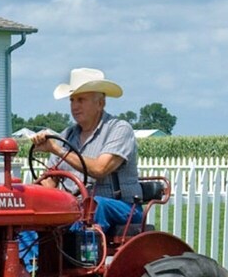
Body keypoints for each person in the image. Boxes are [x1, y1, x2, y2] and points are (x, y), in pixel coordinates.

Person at [29, 68, 145, 236]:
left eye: (81, 100)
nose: (75, 106)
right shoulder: (67, 135)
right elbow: (50, 183)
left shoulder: (119, 129)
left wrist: (57, 150)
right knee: (28, 221)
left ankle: (72, 255)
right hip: (76, 207)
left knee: (94, 205)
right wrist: (32, 193)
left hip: (122, 207)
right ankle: (30, 261)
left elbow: (100, 169)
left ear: (100, 103)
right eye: (72, 100)